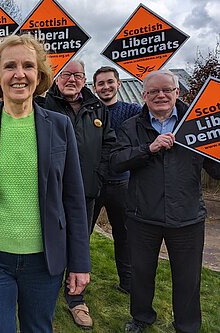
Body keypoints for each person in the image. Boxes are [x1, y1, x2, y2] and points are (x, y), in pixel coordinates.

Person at [0, 34, 91, 333]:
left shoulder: (60, 126)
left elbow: (74, 199)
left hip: (45, 260)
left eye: (28, 66)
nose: (19, 74)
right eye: (10, 66)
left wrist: (80, 262)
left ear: (40, 75)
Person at [111, 70, 220, 333]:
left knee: (187, 277)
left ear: (177, 92)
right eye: (153, 91)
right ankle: (141, 317)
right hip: (142, 216)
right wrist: (148, 149)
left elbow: (216, 171)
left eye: (166, 90)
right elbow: (116, 162)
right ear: (144, 95)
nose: (160, 95)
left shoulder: (196, 124)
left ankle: (187, 325)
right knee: (141, 273)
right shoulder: (131, 127)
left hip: (187, 217)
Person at [43, 59, 116, 329]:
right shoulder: (43, 103)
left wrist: (98, 175)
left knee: (79, 243)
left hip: (84, 192)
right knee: (47, 243)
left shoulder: (97, 107)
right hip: (49, 192)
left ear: (84, 79)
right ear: (56, 77)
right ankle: (44, 296)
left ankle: (76, 299)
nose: (71, 79)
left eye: (77, 75)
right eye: (66, 74)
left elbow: (110, 144)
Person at [91, 66, 141, 294]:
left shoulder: (132, 110)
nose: (105, 87)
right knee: (82, 234)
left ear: (118, 84)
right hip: (94, 183)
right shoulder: (90, 112)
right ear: (94, 87)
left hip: (122, 183)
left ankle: (128, 284)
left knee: (124, 235)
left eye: (110, 82)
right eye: (100, 83)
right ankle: (75, 280)